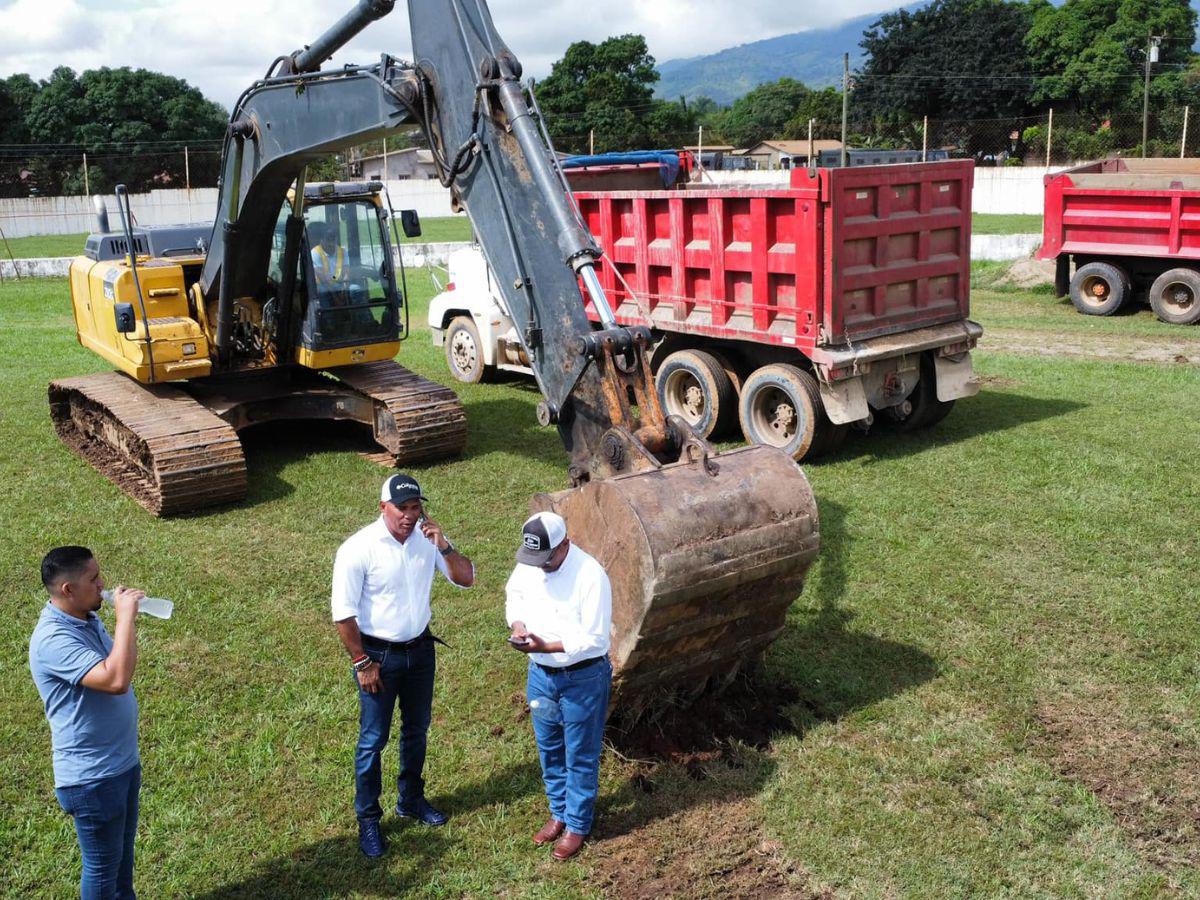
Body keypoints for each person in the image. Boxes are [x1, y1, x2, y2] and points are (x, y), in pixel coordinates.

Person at [332, 474, 475, 858]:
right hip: (378, 658)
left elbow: (466, 578)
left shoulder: (428, 541)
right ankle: (368, 819)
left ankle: (410, 800)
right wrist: (362, 662)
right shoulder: (358, 549)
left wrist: (444, 545)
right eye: (402, 508)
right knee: (373, 740)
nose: (409, 516)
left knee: (416, 730)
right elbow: (343, 615)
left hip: (420, 652)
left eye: (415, 508)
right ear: (383, 508)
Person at [29, 546, 146, 899]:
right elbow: (115, 680)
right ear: (68, 589)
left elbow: (119, 665)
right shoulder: (53, 639)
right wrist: (125, 619)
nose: (102, 584)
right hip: (93, 778)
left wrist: (121, 622)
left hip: (121, 765)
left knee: (121, 867)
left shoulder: (85, 618)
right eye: (93, 579)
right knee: (102, 870)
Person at [505, 511, 612, 861]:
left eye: (546, 559)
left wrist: (545, 646)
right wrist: (518, 625)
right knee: (549, 746)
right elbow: (514, 595)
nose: (539, 565)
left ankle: (577, 825)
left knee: (579, 753)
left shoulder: (590, 575)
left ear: (565, 544)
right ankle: (559, 812)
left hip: (582, 677)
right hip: (541, 675)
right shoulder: (531, 563)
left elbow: (595, 639)